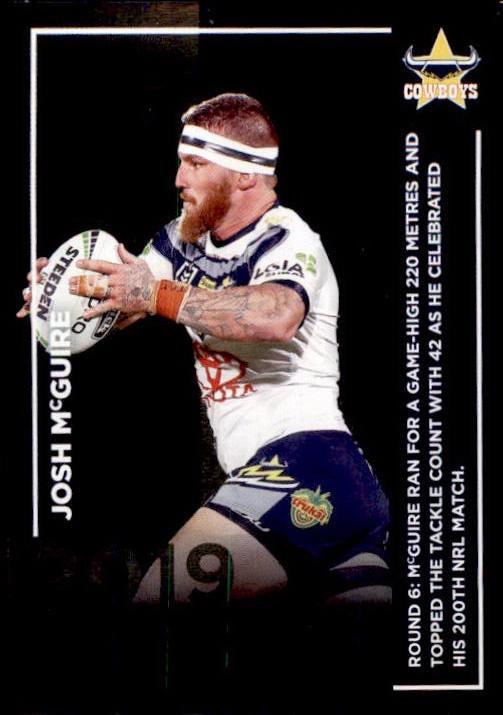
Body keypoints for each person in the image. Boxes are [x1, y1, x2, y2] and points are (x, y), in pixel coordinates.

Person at [18, 92, 391, 709]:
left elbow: (275, 315)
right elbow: (127, 296)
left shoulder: (289, 238)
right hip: (326, 493)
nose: (178, 178)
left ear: (244, 173)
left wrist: (157, 295)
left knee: (155, 615)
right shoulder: (181, 242)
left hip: (307, 467)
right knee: (336, 689)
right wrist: (64, 293)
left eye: (194, 163)